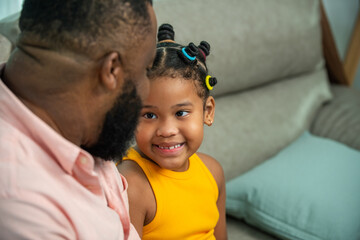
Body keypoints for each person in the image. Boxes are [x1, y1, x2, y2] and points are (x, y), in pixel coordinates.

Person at [0, 0, 157, 239]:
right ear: (111, 70)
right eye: (146, 70)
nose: (147, 91)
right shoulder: (23, 203)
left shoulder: (80, 122)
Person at [118, 24, 228, 240]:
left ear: (208, 112)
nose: (167, 131)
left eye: (181, 113)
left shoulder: (213, 172)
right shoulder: (132, 186)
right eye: (149, 115)